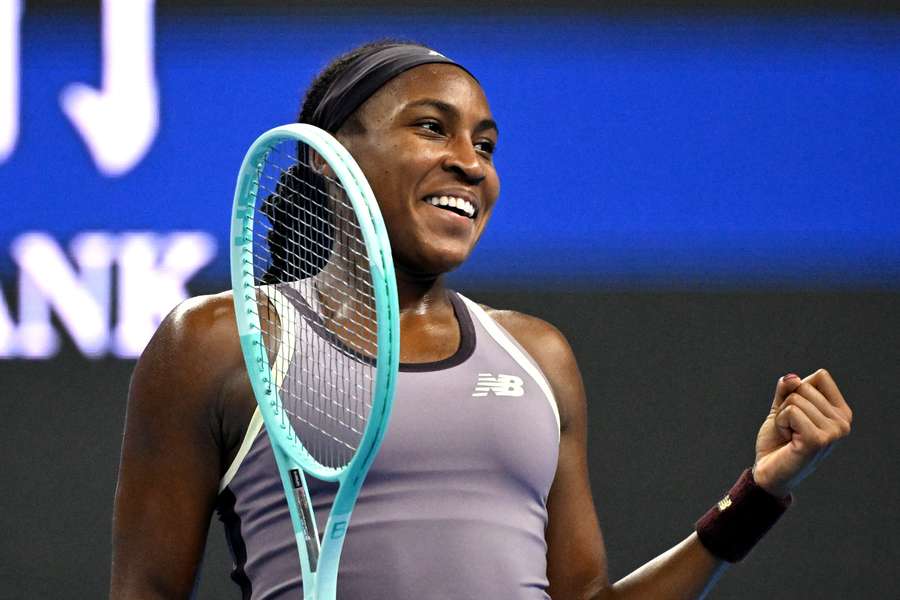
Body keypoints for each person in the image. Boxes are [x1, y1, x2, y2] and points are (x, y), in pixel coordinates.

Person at [109, 40, 853, 599]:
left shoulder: (538, 356)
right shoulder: (217, 344)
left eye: (486, 144)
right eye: (432, 129)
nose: (472, 163)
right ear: (331, 160)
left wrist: (756, 493)